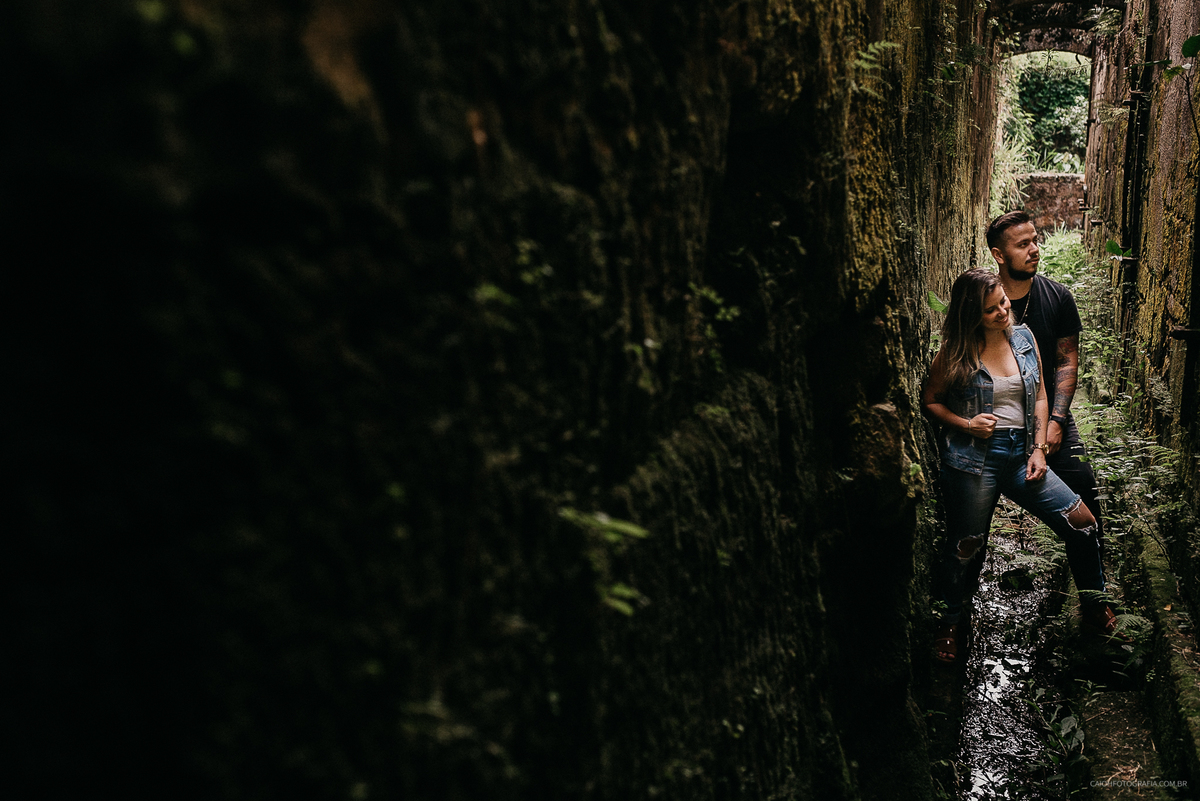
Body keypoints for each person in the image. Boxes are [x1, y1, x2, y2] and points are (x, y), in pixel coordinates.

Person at [923, 269, 1116, 664]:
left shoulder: (1024, 338)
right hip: (974, 461)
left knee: (1082, 522)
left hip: (1021, 456)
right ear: (970, 314)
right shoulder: (956, 352)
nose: (1002, 312)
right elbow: (931, 400)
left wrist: (1039, 449)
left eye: (1004, 303)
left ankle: (1094, 606)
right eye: (991, 309)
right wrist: (967, 424)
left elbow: (1042, 395)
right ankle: (949, 623)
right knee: (965, 545)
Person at [986, 211, 1108, 561]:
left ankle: (1093, 587)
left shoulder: (1058, 297)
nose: (1034, 249)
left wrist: (1056, 421)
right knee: (972, 523)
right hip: (995, 422)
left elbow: (1067, 360)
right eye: (1023, 244)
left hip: (1049, 417)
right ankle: (956, 605)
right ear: (999, 254)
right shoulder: (981, 301)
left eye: (1035, 240)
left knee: (1085, 485)